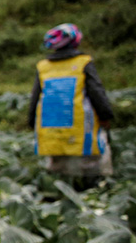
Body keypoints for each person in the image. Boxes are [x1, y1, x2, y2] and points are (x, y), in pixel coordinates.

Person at [29, 23, 113, 190]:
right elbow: (96, 92)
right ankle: (92, 191)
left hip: (50, 126)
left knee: (58, 168)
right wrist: (106, 115)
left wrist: (32, 121)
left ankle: (58, 195)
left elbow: (35, 97)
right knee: (90, 166)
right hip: (80, 125)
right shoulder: (83, 62)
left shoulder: (43, 66)